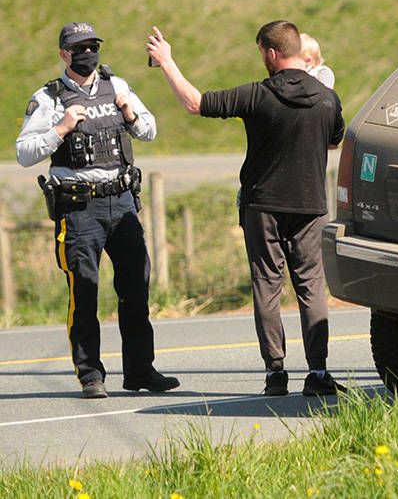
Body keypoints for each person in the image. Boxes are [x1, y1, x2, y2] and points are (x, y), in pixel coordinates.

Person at [146, 20, 346, 397]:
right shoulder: (327, 98)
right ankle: (318, 373)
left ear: (271, 53)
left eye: (262, 54)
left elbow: (195, 103)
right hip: (309, 205)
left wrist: (168, 62)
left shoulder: (257, 95)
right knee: (311, 287)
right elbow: (333, 143)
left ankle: (275, 374)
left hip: (263, 206)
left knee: (267, 286)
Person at [15, 22, 179, 399]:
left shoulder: (117, 86)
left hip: (120, 203)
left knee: (136, 287)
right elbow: (24, 153)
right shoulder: (48, 98)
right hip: (78, 208)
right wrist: (61, 127)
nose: (88, 53)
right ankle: (91, 375)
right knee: (85, 292)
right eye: (79, 47)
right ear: (64, 54)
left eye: (92, 45)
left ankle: (141, 370)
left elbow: (150, 130)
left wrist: (131, 114)